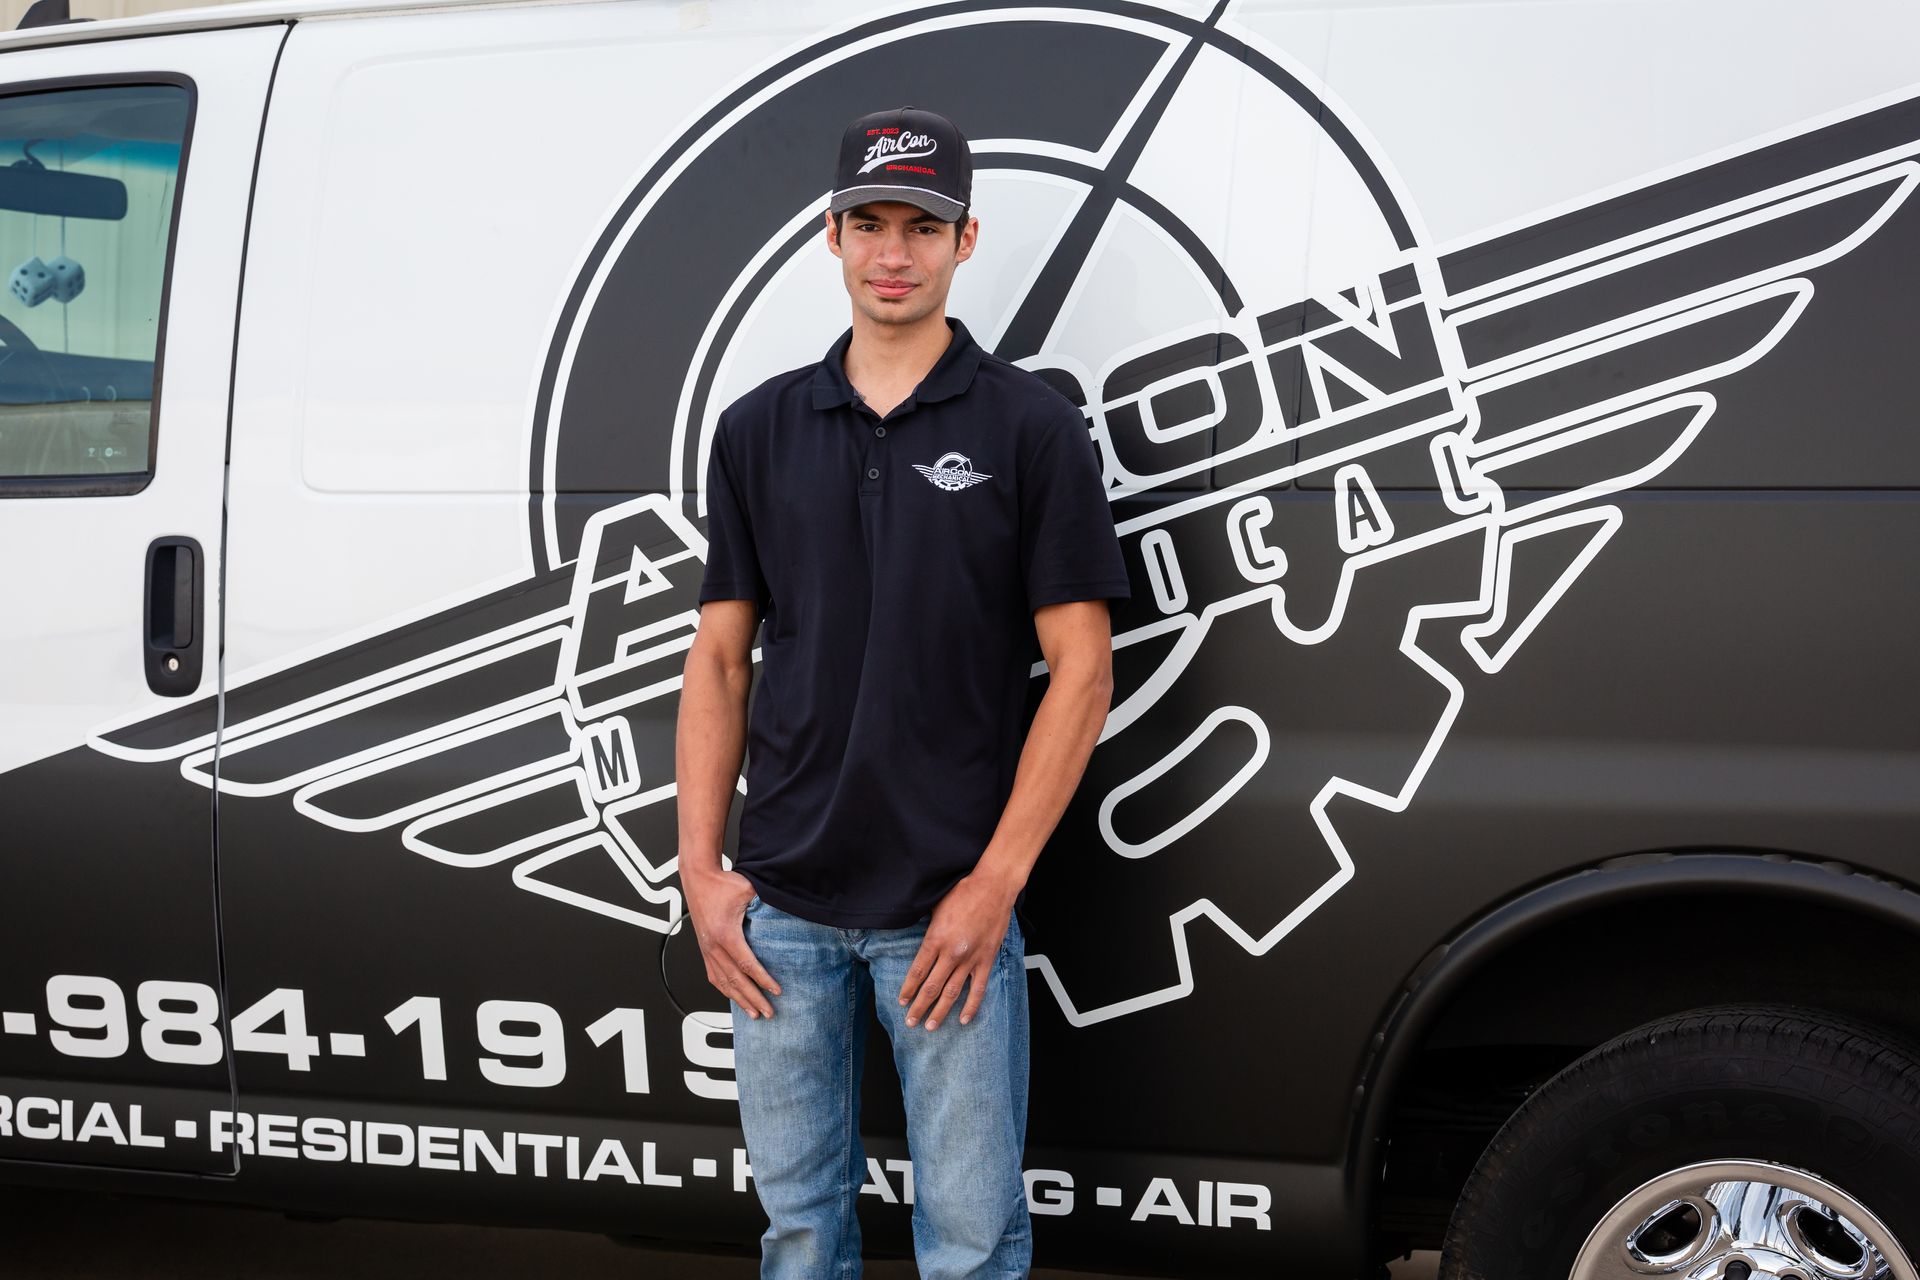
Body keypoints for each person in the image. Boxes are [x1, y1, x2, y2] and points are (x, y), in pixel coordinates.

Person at [674, 104, 1130, 1279]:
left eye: (920, 227)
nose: (893, 251)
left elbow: (1083, 667)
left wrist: (996, 882)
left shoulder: (1028, 426)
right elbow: (721, 657)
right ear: (831, 236)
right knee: (800, 1232)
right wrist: (700, 871)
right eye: (868, 223)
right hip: (781, 912)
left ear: (964, 241)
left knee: (974, 1244)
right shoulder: (759, 428)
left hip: (947, 913)